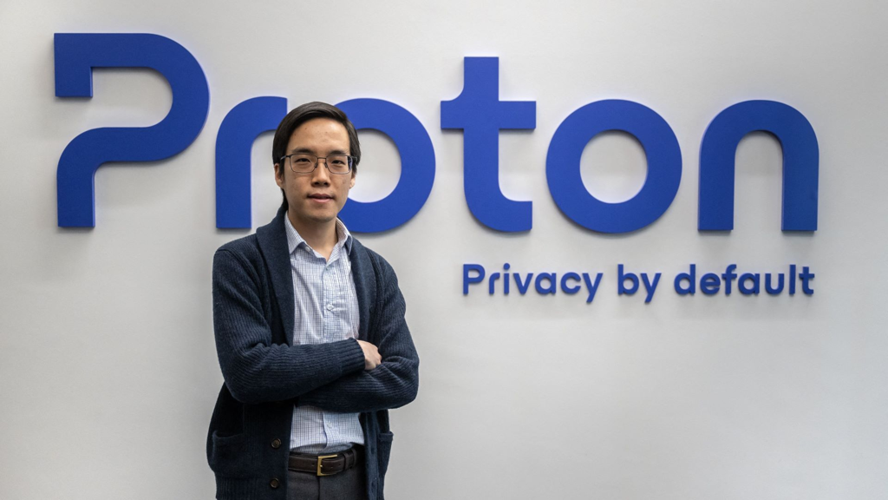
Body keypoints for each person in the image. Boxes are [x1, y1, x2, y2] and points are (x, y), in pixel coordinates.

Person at [207, 101, 420, 500]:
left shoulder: (376, 272)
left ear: (352, 176)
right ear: (279, 172)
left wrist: (291, 382)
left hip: (355, 478)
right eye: (304, 160)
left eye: (337, 162)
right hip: (272, 481)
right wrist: (353, 353)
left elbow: (403, 378)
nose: (321, 176)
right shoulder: (241, 261)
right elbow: (248, 373)